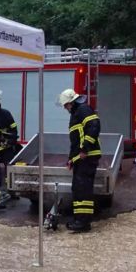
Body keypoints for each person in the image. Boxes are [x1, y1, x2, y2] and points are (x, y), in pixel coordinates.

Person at [58, 88, 102, 233]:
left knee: (83, 189)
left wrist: (85, 149)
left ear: (71, 102)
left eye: (65, 105)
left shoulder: (83, 109)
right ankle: (80, 220)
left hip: (87, 157)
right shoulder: (76, 113)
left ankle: (83, 223)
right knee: (78, 189)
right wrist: (71, 159)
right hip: (81, 158)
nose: (65, 108)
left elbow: (94, 126)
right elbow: (75, 141)